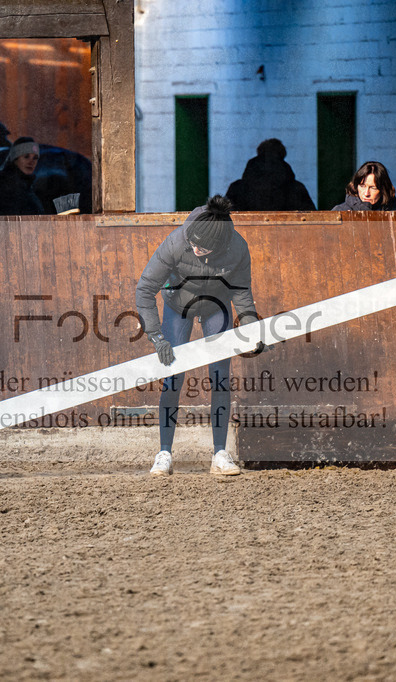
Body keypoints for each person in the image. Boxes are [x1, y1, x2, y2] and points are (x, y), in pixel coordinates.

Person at [135, 195, 264, 477]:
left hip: (217, 305)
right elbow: (144, 289)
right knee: (172, 377)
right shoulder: (177, 241)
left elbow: (242, 291)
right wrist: (156, 338)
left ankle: (220, 453)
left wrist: (252, 327)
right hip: (177, 306)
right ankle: (164, 453)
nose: (194, 249)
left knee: (219, 377)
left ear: (218, 246)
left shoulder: (237, 247)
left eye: (201, 247)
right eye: (192, 243)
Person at [225, 138, 316, 211]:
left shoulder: (237, 187)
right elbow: (312, 219)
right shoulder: (296, 188)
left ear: (259, 152)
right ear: (282, 154)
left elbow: (222, 219)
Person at [0, 136, 46, 216]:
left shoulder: (26, 185)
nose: (31, 162)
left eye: (35, 158)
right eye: (26, 156)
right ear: (15, 158)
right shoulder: (8, 188)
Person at [332, 160, 396, 211]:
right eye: (362, 186)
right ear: (355, 186)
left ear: (383, 190)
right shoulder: (340, 212)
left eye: (373, 188)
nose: (366, 193)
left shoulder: (395, 214)